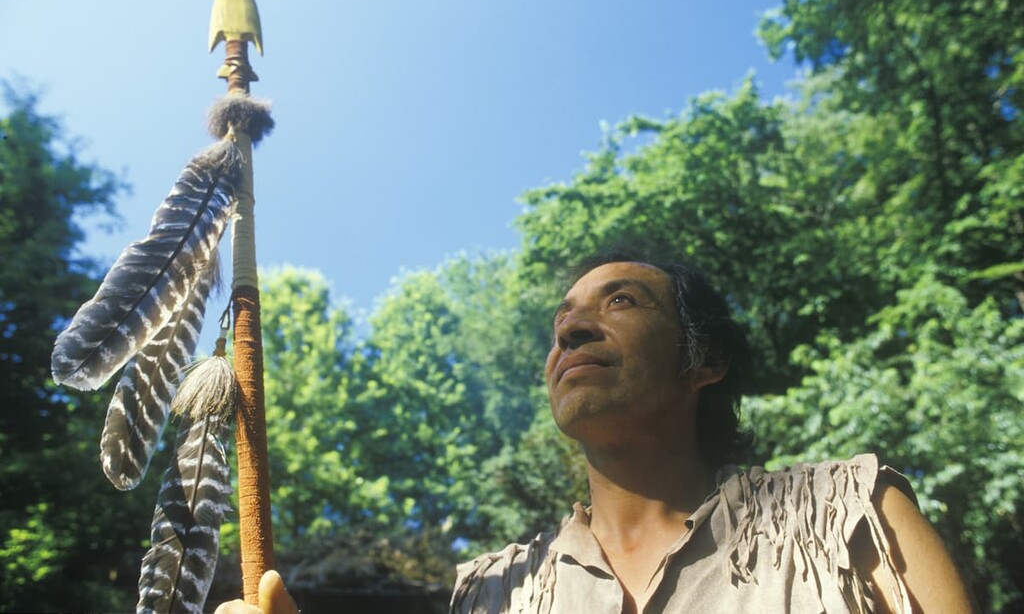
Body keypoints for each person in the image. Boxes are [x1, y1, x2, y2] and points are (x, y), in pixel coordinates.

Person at [217, 251, 976, 614]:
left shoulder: (847, 515)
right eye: (561, 323)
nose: (573, 328)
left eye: (621, 302)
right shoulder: (488, 594)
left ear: (702, 360)